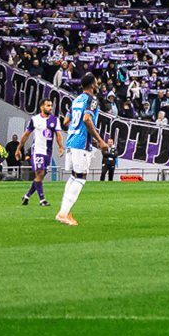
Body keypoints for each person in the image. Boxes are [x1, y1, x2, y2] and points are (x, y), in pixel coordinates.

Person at [57, 75, 111, 226]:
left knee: (74, 176)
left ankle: (64, 211)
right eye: (96, 82)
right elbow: (87, 119)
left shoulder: (75, 100)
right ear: (92, 85)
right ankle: (63, 213)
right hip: (81, 144)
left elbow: (66, 122)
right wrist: (100, 141)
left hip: (71, 141)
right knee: (80, 177)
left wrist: (81, 132)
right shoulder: (92, 100)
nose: (98, 84)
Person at [19, 98, 59, 207]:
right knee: (39, 174)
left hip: (48, 152)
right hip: (38, 150)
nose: (50, 108)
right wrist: (19, 148)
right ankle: (42, 200)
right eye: (48, 105)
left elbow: (58, 135)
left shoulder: (55, 120)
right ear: (42, 107)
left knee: (41, 176)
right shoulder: (34, 119)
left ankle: (26, 196)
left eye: (51, 105)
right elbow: (26, 134)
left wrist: (60, 147)